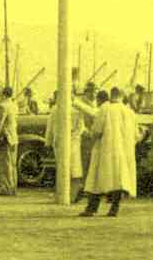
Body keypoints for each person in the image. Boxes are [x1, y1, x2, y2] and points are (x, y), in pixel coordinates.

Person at [79, 88, 140, 217]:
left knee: (96, 180)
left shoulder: (105, 109)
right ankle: (114, 208)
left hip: (105, 150)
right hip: (123, 152)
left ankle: (91, 208)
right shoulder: (130, 112)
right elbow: (136, 135)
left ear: (111, 95)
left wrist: (91, 140)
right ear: (122, 96)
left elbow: (97, 130)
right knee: (119, 180)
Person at [46, 90, 87, 202]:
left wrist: (48, 142)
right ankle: (73, 194)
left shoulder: (55, 109)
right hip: (74, 141)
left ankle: (63, 194)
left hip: (59, 141)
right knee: (75, 168)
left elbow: (50, 127)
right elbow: (81, 128)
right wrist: (74, 136)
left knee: (62, 167)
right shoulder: (77, 110)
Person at [0, 86, 20, 196]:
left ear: (3, 94)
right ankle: (13, 187)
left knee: (4, 164)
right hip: (13, 137)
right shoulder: (14, 105)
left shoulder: (2, 106)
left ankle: (6, 188)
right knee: (12, 164)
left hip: (5, 138)